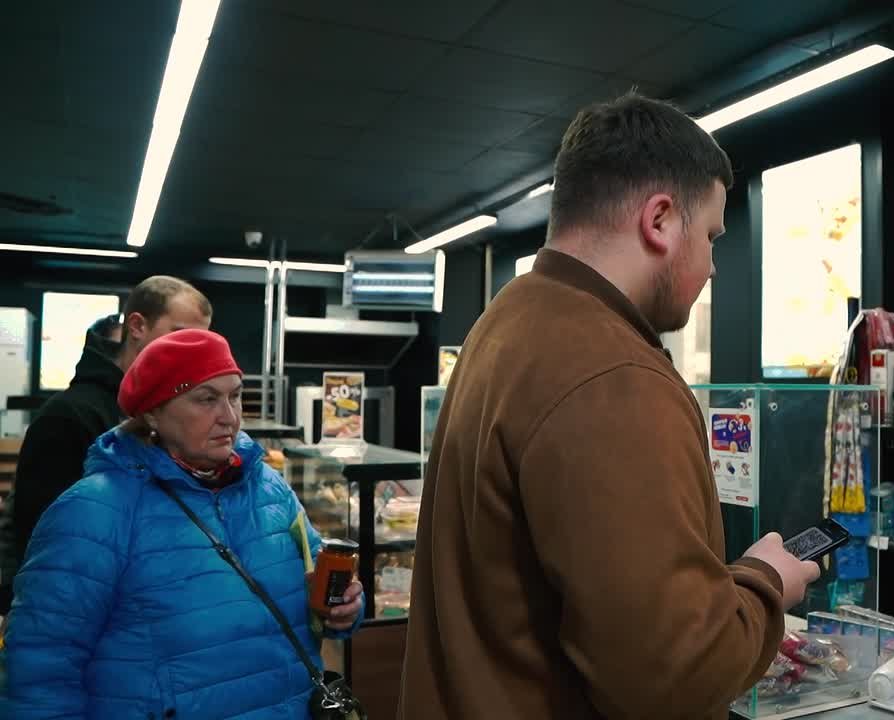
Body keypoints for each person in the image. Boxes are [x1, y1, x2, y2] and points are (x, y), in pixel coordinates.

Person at [398, 92, 821, 720]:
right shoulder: (613, 375)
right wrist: (764, 583)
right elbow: (672, 677)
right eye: (710, 236)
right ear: (660, 220)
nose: (712, 266)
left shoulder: (507, 321)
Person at [0, 329, 364, 718]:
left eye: (235, 396)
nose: (230, 417)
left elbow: (318, 600)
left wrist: (342, 609)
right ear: (153, 412)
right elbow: (39, 669)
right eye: (206, 399)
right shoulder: (93, 512)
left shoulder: (271, 491)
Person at [0, 276, 212, 613]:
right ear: (137, 326)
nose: (191, 351)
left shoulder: (170, 416)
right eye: (179, 334)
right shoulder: (70, 415)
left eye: (200, 341)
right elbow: (43, 536)